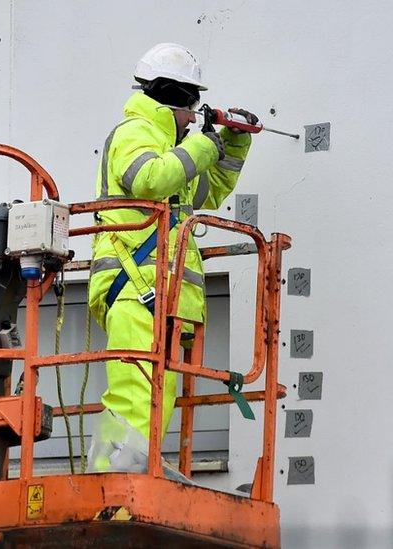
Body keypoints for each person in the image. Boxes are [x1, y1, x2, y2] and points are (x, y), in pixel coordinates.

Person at [86, 43, 259, 452]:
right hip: (132, 290)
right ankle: (116, 494)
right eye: (192, 106)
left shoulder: (171, 149)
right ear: (174, 99)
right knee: (134, 399)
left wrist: (232, 146)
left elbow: (209, 190)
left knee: (154, 398)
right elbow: (149, 179)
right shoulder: (135, 132)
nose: (194, 116)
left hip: (156, 295)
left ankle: (128, 486)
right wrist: (203, 145)